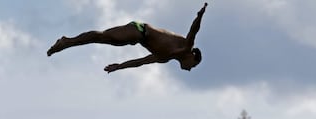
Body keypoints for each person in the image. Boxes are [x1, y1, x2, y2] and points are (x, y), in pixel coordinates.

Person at [47, 3, 208, 73]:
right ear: (192, 57)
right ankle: (67, 42)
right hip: (139, 30)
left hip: (136, 37)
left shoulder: (165, 57)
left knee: (103, 38)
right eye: (193, 66)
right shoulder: (185, 47)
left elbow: (140, 62)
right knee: (102, 37)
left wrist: (119, 66)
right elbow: (194, 30)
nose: (189, 69)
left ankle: (68, 41)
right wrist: (200, 14)